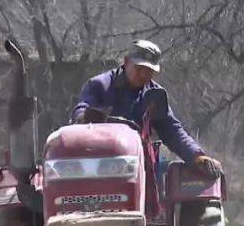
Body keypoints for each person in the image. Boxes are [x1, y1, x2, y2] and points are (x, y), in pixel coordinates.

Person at [70, 39, 223, 177]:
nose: (143, 74)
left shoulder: (155, 95)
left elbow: (172, 130)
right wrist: (85, 118)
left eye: (148, 70)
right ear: (126, 62)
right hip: (99, 164)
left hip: (139, 167)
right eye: (139, 68)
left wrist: (196, 156)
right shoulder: (100, 85)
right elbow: (81, 109)